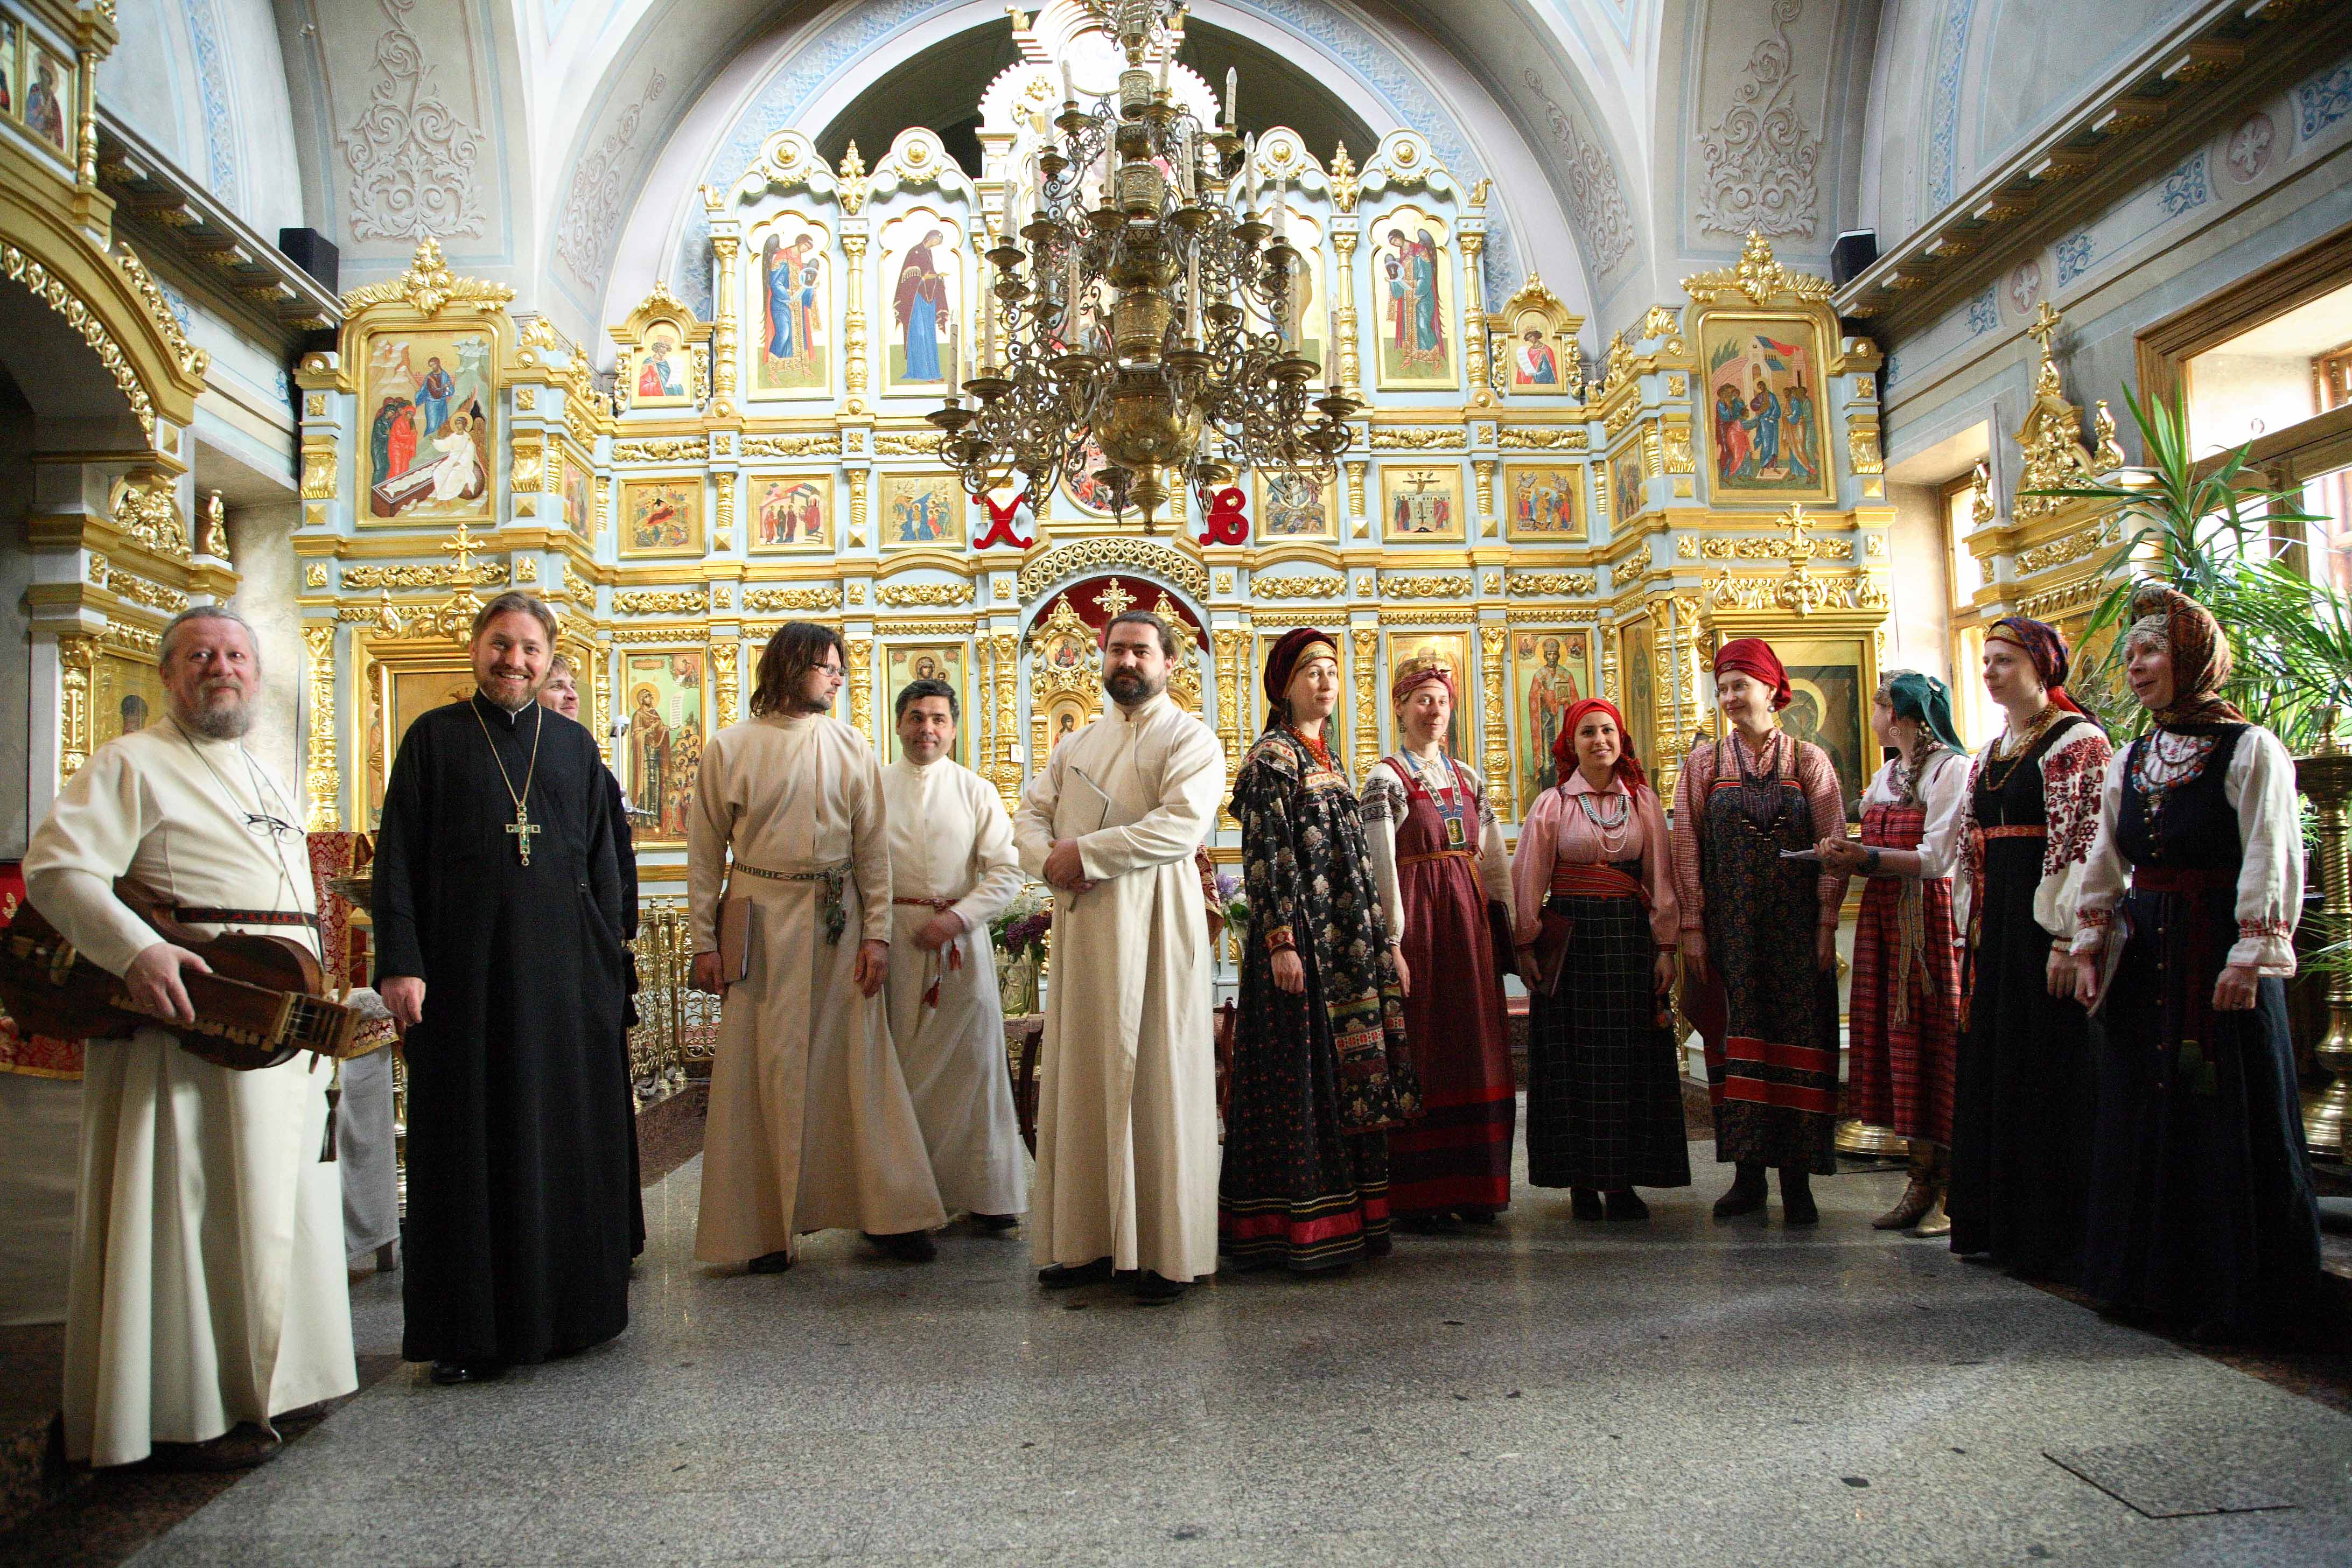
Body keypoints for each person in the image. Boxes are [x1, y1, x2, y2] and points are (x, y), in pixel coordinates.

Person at [23, 606, 354, 1468]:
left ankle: (276, 1386)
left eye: (236, 655)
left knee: (275, 1202)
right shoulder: (130, 762)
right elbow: (55, 870)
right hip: (189, 1021)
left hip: (274, 1018)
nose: (222, 669)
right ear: (168, 674)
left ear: (257, 675)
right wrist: (135, 952)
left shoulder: (264, 775)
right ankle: (189, 1413)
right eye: (201, 656)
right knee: (189, 1209)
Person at [373, 593, 639, 1384]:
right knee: (468, 1146)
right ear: (475, 648)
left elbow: (603, 867)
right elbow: (397, 859)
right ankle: (467, 1332)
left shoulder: (574, 746)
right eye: (501, 644)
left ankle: (571, 1316)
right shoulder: (433, 738)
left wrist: (606, 968)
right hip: (463, 981)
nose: (514, 661)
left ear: (549, 658)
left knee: (560, 1140)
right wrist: (401, 961)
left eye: (529, 649)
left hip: (561, 983)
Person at [2073, 585, 2321, 1340]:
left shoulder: (2250, 749)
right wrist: (2090, 940)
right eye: (2130, 654)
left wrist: (2251, 954)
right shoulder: (2132, 756)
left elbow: (2272, 851)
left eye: (2150, 651)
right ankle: (2148, 1284)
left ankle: (2233, 1294)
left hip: (2216, 950)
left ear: (2191, 658)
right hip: (2148, 949)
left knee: (2219, 1107)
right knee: (2145, 1107)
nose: (2135, 666)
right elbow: (2106, 856)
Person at [687, 625, 943, 1271]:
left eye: (839, 668)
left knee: (858, 1063)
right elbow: (704, 853)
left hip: (839, 920)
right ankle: (761, 1230)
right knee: (759, 1068)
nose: (837, 678)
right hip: (760, 920)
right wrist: (705, 942)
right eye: (826, 666)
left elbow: (872, 850)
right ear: (789, 665)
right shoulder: (730, 747)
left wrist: (878, 933)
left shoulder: (851, 744)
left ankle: (889, 1213)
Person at [1013, 612, 1224, 1303]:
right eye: (1116, 650)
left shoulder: (1190, 737)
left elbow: (1181, 824)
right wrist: (1048, 859)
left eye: (1141, 650)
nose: (1126, 661)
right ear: (1100, 659)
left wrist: (1086, 852)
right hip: (1086, 926)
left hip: (1158, 919)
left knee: (1159, 1074)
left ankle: (1165, 1251)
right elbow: (1029, 815)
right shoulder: (1076, 742)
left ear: (1169, 663)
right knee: (1083, 1075)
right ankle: (1084, 1242)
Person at [1217, 630, 1417, 1272]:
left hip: (1349, 945)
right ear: (1284, 684)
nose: (1326, 681)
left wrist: (1384, 942)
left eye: (1332, 669)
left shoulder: (1329, 755)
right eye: (1312, 670)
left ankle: (1355, 1218)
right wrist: (1280, 941)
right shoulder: (1273, 759)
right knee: (1302, 1079)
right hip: (1304, 943)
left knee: (1347, 1080)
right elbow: (1267, 856)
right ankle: (1297, 1226)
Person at [1948, 616, 2111, 1282]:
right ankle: (2002, 1226)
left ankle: (2056, 1233)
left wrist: (2071, 936)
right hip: (1997, 928)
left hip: (2044, 930)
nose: (1990, 671)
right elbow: (1969, 842)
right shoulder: (1992, 749)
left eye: (2005, 660)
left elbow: (2086, 841)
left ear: (2042, 666)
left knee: (2048, 1069)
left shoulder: (2078, 741)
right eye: (1985, 659)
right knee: (1999, 1065)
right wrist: (1969, 926)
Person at [1673, 638, 1846, 1223]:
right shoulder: (1703, 765)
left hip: (1796, 930)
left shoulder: (1809, 760)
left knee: (1798, 1041)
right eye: (1721, 688)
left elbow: (1834, 845)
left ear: (1771, 689)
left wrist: (1827, 921)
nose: (1728, 698)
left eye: (1739, 686)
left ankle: (1798, 1182)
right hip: (1731, 931)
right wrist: (1693, 925)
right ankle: (1748, 1178)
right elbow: (1686, 846)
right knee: (1738, 1042)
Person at [1515, 698, 1688, 1220]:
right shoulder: (1552, 804)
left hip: (1628, 942)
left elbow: (1661, 878)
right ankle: (1582, 1182)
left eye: (1608, 730)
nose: (1600, 740)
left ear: (1621, 738)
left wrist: (1665, 947)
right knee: (1573, 1062)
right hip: (1572, 944)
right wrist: (1525, 945)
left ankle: (1622, 1181)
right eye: (1588, 732)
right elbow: (1528, 878)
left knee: (1627, 1060)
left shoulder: (1643, 802)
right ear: (1572, 743)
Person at [1361, 662, 1513, 1228]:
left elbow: (1493, 860)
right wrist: (1392, 942)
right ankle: (1421, 1195)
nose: (1434, 710)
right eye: (1422, 700)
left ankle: (1478, 1186)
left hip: (1468, 928)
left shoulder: (1468, 777)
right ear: (1400, 708)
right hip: (1421, 926)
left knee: (1475, 1043)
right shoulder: (1386, 779)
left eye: (1442, 700)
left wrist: (1507, 928)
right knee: (1425, 1045)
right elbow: (1380, 864)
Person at [1818, 672, 1970, 1236]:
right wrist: (1841, 850)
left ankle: (1951, 1189)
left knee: (1935, 1042)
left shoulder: (1951, 770)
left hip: (1925, 921)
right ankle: (1919, 1178)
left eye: (1880, 706)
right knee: (1898, 1044)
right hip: (1884, 917)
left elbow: (1937, 858)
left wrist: (1866, 857)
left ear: (1900, 714)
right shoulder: (1889, 774)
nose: (1874, 717)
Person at [881, 678, 1028, 1228]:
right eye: (917, 717)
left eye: (938, 719)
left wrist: (957, 918)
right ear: (899, 724)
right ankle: (905, 1203)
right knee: (899, 1069)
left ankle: (986, 1193)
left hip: (961, 946)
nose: (927, 729)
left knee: (974, 1068)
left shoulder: (976, 790)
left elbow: (1008, 870)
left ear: (954, 728)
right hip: (894, 944)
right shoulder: (872, 789)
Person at [540, 654, 646, 1257]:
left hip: (591, 949)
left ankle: (608, 1230)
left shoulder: (591, 767)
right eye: (556, 686)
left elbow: (616, 862)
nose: (569, 695)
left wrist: (616, 935)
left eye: (571, 686)